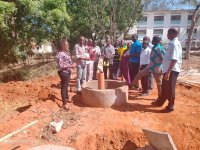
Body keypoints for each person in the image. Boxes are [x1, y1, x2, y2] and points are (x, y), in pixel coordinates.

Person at [152, 28, 182, 112]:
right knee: (165, 88)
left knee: (170, 88)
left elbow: (174, 59)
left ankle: (170, 106)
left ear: (173, 34)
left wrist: (168, 72)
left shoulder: (175, 44)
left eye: (168, 33)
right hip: (167, 70)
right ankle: (159, 102)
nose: (167, 35)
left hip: (172, 70)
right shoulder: (171, 43)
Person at [131, 36, 165, 100]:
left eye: (153, 39)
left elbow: (163, 58)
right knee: (140, 74)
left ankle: (160, 97)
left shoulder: (159, 48)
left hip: (157, 68)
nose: (152, 41)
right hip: (150, 66)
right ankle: (131, 86)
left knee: (159, 83)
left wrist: (162, 67)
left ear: (156, 41)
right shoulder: (153, 47)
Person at [56, 39, 75, 110]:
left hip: (67, 72)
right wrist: (71, 66)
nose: (68, 45)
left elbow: (66, 62)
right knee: (64, 87)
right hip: (63, 73)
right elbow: (61, 65)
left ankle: (66, 99)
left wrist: (71, 65)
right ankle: (64, 104)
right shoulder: (60, 54)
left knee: (66, 86)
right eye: (66, 44)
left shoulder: (65, 52)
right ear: (63, 46)